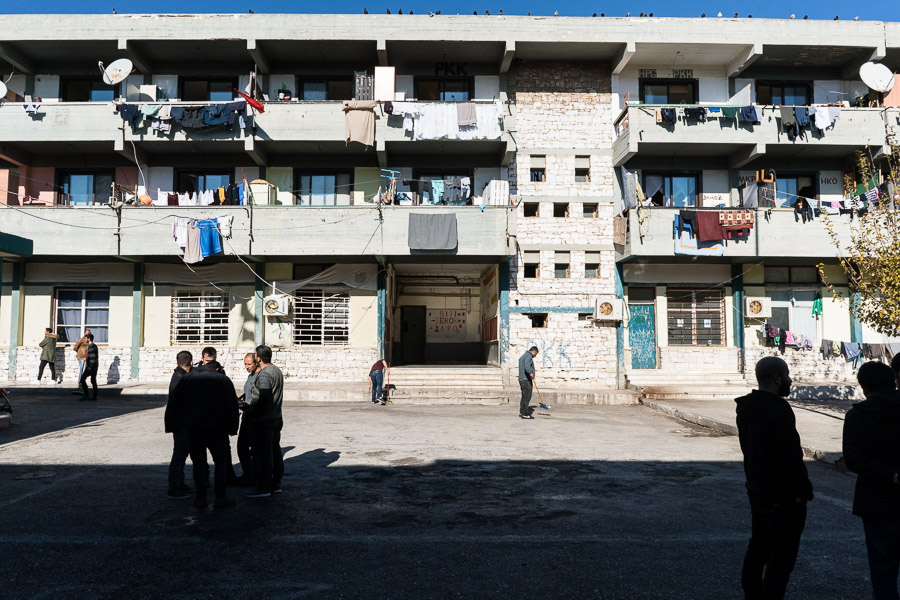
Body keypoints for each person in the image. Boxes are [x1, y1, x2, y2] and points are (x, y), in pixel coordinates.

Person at [735, 356, 813, 600]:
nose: (790, 380)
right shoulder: (778, 409)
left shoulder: (746, 408)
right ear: (778, 378)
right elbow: (790, 457)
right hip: (784, 497)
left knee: (758, 549)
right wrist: (802, 493)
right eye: (787, 375)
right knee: (780, 562)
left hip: (758, 491)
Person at [844, 360, 900, 599]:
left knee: (883, 570)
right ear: (893, 381)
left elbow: (854, 459)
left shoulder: (857, 415)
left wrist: (891, 475)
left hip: (877, 502)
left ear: (864, 388)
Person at [168, 359, 239, 509]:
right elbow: (231, 405)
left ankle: (201, 497)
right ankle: (220, 496)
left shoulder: (186, 379)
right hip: (216, 428)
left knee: (198, 463)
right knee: (220, 462)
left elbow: (174, 401)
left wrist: (172, 425)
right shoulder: (223, 380)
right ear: (217, 369)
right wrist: (233, 427)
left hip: (193, 428)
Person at [244, 344, 284, 498]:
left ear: (259, 358)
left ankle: (264, 487)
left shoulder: (265, 374)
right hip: (275, 418)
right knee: (274, 451)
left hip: (265, 420)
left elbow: (264, 397)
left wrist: (252, 410)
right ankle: (275, 484)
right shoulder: (277, 371)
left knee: (264, 454)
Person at [164, 351, 195, 500]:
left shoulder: (179, 376)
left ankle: (180, 483)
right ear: (191, 362)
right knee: (179, 454)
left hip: (180, 422)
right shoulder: (180, 379)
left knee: (182, 454)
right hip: (181, 423)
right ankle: (174, 487)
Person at [234, 352, 260, 486]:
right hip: (246, 415)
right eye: (245, 364)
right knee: (242, 446)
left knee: (252, 448)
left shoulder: (260, 377)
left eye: (249, 364)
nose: (247, 367)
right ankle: (247, 473)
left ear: (256, 363)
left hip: (254, 417)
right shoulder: (250, 376)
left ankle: (253, 475)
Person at [518, 346, 539, 419]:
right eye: (535, 354)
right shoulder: (528, 356)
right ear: (534, 351)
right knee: (527, 397)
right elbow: (527, 365)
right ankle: (525, 414)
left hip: (522, 379)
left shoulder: (523, 356)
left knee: (524, 397)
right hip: (526, 379)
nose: (535, 356)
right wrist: (530, 372)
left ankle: (522, 412)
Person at [78, 333, 99, 401]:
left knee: (83, 379)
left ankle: (86, 395)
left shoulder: (91, 346)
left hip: (91, 366)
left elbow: (92, 357)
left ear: (89, 339)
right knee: (93, 380)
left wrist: (90, 366)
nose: (85, 340)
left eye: (86, 338)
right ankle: (94, 396)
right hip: (94, 366)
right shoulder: (94, 346)